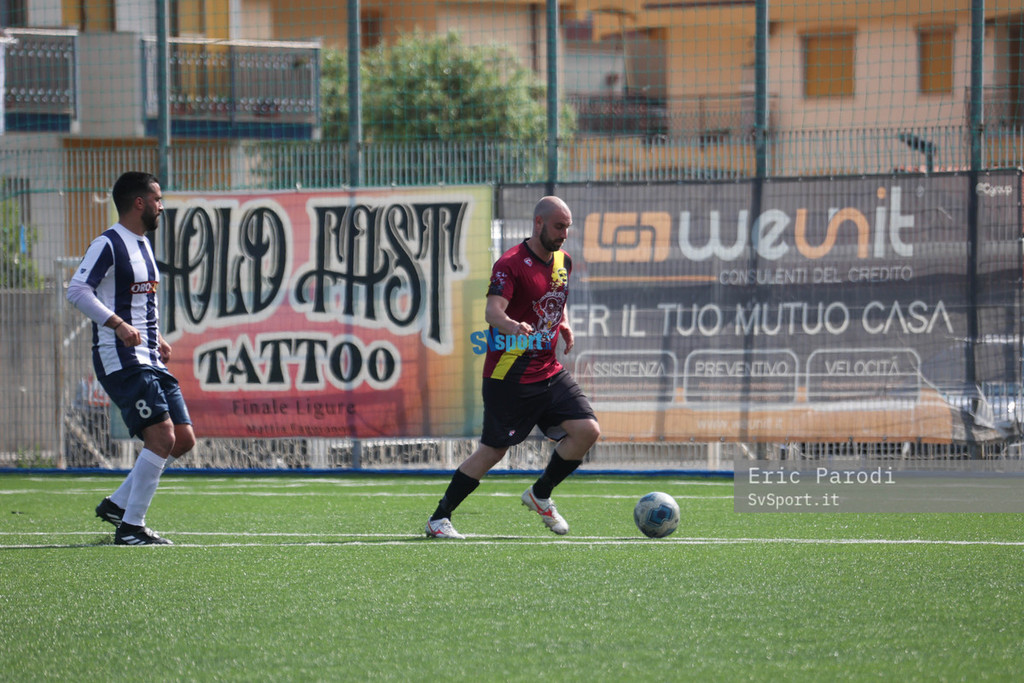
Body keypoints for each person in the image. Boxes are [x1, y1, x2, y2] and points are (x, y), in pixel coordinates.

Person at [426, 196, 601, 538]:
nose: (564, 234)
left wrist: (563, 323)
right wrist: (512, 326)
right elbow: (492, 311)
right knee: (494, 451)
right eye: (558, 226)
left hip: (548, 370)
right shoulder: (510, 264)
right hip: (510, 375)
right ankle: (439, 518)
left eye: (567, 227)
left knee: (587, 431)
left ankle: (540, 494)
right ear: (538, 223)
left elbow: (555, 298)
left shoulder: (563, 260)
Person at [67, 171, 195, 545]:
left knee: (183, 439)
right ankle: (131, 528)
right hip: (121, 358)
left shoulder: (143, 246)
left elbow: (140, 303)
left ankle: (117, 505)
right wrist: (118, 325)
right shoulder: (107, 244)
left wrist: (159, 339)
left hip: (149, 356)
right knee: (162, 436)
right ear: (139, 203)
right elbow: (77, 290)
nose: (161, 206)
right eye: (157, 199)